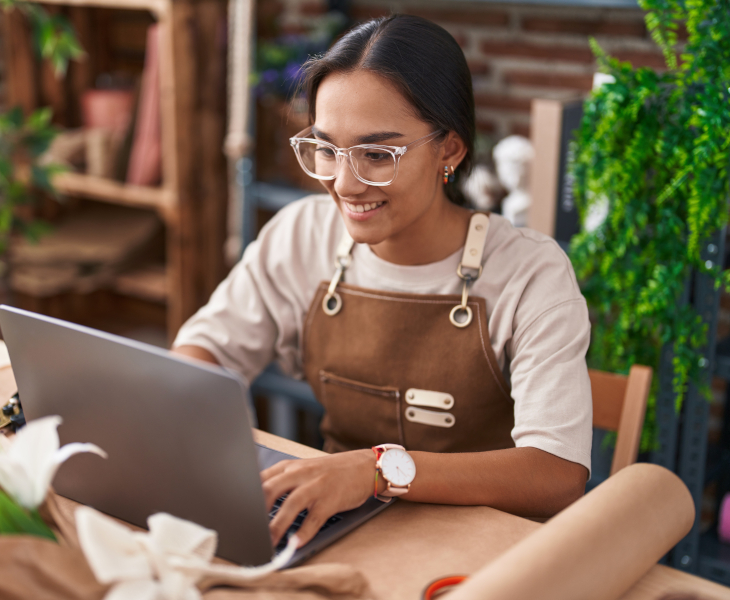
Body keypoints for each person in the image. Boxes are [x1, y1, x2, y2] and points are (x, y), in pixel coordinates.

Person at [174, 14, 592, 548]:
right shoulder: (302, 234)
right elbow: (203, 351)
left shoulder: (531, 273)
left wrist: (376, 472)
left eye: (377, 155)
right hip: (336, 531)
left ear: (450, 150)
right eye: (326, 149)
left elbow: (556, 474)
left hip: (481, 553)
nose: (345, 183)